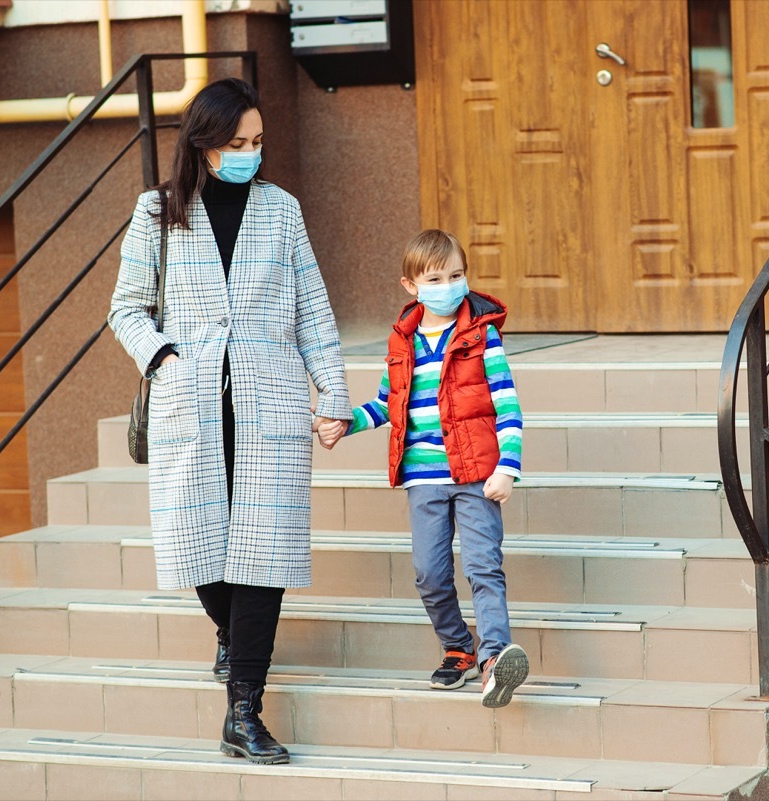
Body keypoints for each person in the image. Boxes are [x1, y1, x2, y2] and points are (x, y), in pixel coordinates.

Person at [108, 77, 351, 764]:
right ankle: (228, 629)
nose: (250, 153)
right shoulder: (157, 211)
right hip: (192, 401)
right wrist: (166, 360)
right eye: (237, 143)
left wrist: (332, 395)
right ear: (205, 143)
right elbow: (126, 307)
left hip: (269, 398)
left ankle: (243, 710)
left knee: (263, 556)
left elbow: (314, 310)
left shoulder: (281, 210)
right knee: (201, 549)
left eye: (258, 141)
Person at [318, 229, 528, 708]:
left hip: (477, 474)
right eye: (436, 278)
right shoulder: (401, 341)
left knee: (483, 567)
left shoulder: (482, 336)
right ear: (411, 286)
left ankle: (495, 660)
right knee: (430, 574)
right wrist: (346, 423)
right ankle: (458, 647)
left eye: (457, 275)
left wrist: (507, 467)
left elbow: (507, 406)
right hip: (424, 479)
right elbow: (390, 404)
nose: (449, 285)